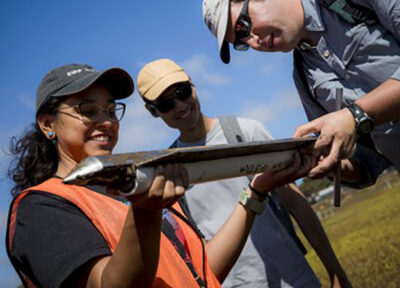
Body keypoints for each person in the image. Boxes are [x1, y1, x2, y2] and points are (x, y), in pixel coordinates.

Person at [6, 63, 310, 288]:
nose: (106, 122)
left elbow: (202, 271)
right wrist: (145, 212)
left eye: (111, 111)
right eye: (88, 111)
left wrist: (256, 194)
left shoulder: (137, 188)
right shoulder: (40, 208)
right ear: (48, 124)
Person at [137, 58, 351, 288]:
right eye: (166, 104)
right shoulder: (171, 169)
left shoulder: (245, 133)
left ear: (193, 85)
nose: (180, 105)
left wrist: (335, 271)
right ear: (152, 111)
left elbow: (296, 203)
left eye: (182, 91)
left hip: (293, 277)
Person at [201, 0, 400, 187]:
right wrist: (325, 162)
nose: (253, 42)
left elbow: (351, 121)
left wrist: (354, 116)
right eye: (241, 44)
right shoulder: (305, 79)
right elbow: (368, 163)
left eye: (244, 27)